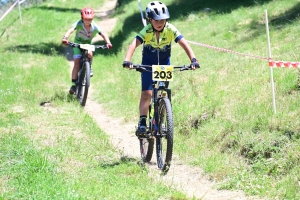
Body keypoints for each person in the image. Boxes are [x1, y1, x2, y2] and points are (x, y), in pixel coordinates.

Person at [122, 1, 200, 137]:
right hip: (147, 65)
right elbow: (134, 44)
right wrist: (127, 60)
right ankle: (142, 121)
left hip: (164, 65)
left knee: (163, 93)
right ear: (150, 20)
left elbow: (184, 43)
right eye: (157, 20)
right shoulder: (146, 31)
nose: (160, 23)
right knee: (147, 93)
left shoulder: (170, 29)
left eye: (163, 19)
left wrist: (193, 59)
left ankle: (162, 120)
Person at [62, 7, 113, 95]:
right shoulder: (78, 23)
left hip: (88, 44)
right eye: (86, 19)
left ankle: (89, 67)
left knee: (90, 53)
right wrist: (65, 37)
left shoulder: (95, 26)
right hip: (77, 44)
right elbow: (71, 30)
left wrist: (108, 42)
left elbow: (103, 34)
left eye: (90, 19)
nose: (88, 21)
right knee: (77, 63)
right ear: (82, 18)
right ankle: (73, 84)